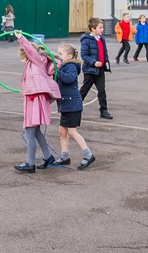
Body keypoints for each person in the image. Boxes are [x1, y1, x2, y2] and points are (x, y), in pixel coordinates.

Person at [13, 32, 61, 173]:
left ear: (27, 56)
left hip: (36, 98)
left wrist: (21, 38)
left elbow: (29, 50)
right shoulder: (35, 64)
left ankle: (30, 163)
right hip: (32, 98)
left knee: (29, 131)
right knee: (35, 131)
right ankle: (47, 156)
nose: (22, 61)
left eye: (22, 58)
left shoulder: (37, 60)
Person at [53, 44, 95, 169]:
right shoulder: (64, 66)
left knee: (72, 132)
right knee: (62, 132)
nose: (58, 56)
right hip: (66, 104)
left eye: (61, 54)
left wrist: (57, 71)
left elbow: (69, 79)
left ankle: (88, 155)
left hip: (72, 105)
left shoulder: (71, 66)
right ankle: (65, 156)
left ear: (69, 56)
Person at [80, 17, 113, 119]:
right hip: (90, 70)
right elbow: (84, 55)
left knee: (102, 90)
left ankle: (104, 110)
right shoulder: (86, 40)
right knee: (84, 90)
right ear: (93, 29)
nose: (102, 29)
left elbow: (104, 52)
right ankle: (74, 107)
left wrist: (105, 63)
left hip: (100, 70)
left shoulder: (101, 39)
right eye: (100, 27)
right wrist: (94, 62)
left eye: (102, 27)